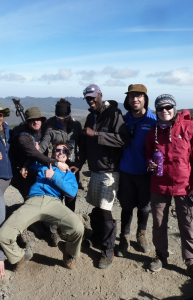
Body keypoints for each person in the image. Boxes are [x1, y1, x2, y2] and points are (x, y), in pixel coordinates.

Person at [0, 142, 84, 271]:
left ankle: (69, 252)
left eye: (64, 151)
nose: (61, 152)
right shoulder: (42, 165)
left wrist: (54, 176)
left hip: (53, 202)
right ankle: (19, 256)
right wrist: (34, 152)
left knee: (78, 227)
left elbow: (72, 192)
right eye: (58, 150)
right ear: (53, 153)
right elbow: (30, 160)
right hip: (33, 201)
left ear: (67, 155)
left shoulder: (69, 173)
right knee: (3, 234)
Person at [71, 84, 129, 269]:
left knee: (105, 211)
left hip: (110, 171)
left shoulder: (114, 114)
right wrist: (78, 165)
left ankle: (108, 249)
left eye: (93, 97)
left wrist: (96, 133)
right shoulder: (90, 116)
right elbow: (86, 146)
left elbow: (123, 140)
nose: (90, 101)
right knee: (96, 206)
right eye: (87, 98)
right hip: (95, 170)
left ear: (100, 95)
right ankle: (97, 236)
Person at [145, 94, 193, 277]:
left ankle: (191, 261)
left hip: (185, 185)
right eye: (160, 108)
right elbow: (148, 153)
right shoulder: (153, 132)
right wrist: (149, 163)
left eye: (168, 107)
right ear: (156, 111)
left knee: (188, 224)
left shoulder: (189, 128)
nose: (164, 111)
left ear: (174, 108)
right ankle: (160, 255)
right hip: (159, 185)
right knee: (158, 223)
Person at [116, 84, 156, 257]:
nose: (135, 99)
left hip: (146, 173)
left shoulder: (153, 121)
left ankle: (142, 234)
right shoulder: (124, 120)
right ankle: (124, 236)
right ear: (128, 99)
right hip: (125, 171)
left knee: (144, 207)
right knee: (126, 206)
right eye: (132, 96)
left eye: (139, 96)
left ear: (145, 98)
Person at [10, 107, 69, 200]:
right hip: (26, 170)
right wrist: (56, 163)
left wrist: (70, 119)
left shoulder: (44, 126)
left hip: (42, 167)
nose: (36, 122)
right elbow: (35, 155)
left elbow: (54, 119)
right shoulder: (23, 137)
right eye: (32, 120)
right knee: (30, 195)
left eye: (38, 119)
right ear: (27, 122)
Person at [39, 98, 82, 212]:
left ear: (69, 114)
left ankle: (69, 223)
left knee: (71, 197)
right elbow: (42, 147)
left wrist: (79, 164)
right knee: (55, 196)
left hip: (72, 167)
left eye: (65, 118)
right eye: (59, 118)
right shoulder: (50, 126)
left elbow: (83, 146)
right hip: (56, 166)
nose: (62, 121)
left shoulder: (76, 125)